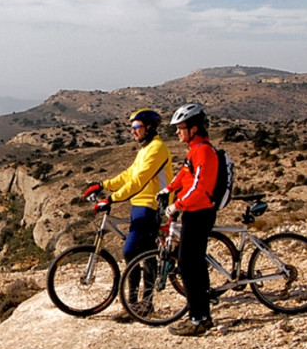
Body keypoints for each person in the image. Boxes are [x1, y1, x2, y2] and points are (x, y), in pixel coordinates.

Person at [84, 109, 173, 312]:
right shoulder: (145, 149)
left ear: (149, 127)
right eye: (131, 128)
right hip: (140, 203)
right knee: (143, 250)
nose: (133, 131)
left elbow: (139, 181)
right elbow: (128, 176)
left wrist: (111, 199)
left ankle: (142, 302)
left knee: (132, 250)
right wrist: (102, 184)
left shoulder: (157, 148)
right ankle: (137, 301)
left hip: (152, 204)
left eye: (136, 127)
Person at [161, 102, 220, 336]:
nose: (176, 132)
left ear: (194, 128)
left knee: (188, 265)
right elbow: (184, 177)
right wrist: (169, 190)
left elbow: (200, 187)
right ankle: (202, 316)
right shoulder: (194, 150)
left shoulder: (204, 150)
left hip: (200, 213)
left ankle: (199, 319)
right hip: (194, 212)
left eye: (180, 127)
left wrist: (177, 204)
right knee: (193, 264)